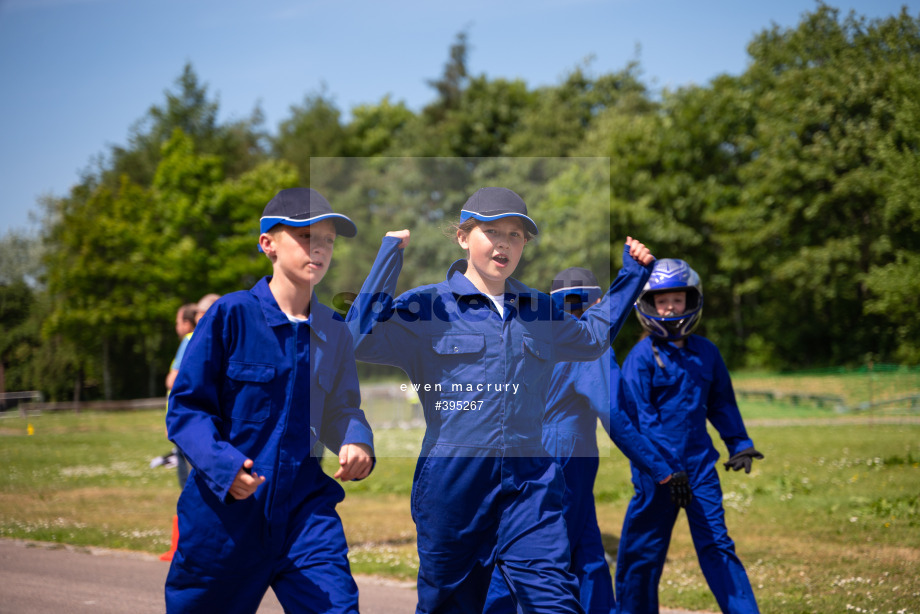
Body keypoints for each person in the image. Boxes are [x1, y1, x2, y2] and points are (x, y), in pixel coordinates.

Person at [346, 187, 655, 614]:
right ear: (463, 236)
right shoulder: (426, 306)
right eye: (492, 232)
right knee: (450, 605)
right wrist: (388, 257)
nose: (504, 243)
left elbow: (590, 338)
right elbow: (355, 340)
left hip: (532, 478)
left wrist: (631, 277)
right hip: (454, 480)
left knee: (554, 599)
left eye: (516, 234)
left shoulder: (538, 310)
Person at [164, 187, 375, 613]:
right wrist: (226, 468)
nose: (319, 249)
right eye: (306, 237)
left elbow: (342, 409)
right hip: (225, 520)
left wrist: (357, 440)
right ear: (268, 244)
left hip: (305, 518)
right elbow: (187, 410)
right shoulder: (231, 315)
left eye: (328, 240)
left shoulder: (335, 332)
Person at [483, 267, 690, 614]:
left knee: (588, 557)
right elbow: (614, 416)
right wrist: (661, 469)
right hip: (565, 462)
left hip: (525, 455)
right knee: (545, 562)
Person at [615, 258, 763, 614]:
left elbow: (722, 403)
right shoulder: (640, 358)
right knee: (643, 554)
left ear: (691, 301)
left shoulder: (707, 353)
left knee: (718, 546)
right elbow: (643, 420)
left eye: (677, 300)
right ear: (648, 304)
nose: (670, 308)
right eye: (662, 301)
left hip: (700, 471)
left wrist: (739, 443)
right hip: (657, 475)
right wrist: (666, 470)